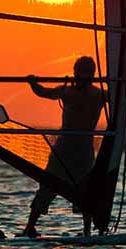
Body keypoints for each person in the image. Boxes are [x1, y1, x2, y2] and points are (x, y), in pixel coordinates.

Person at [19, 57, 110, 238]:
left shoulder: (100, 95)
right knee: (48, 185)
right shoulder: (67, 91)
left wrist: (123, 82)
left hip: (83, 149)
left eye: (86, 73)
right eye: (79, 72)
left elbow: (123, 95)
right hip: (64, 147)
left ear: (92, 75)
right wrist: (32, 83)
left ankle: (87, 231)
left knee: (85, 189)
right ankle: (30, 227)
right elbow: (44, 93)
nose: (82, 77)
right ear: (75, 72)